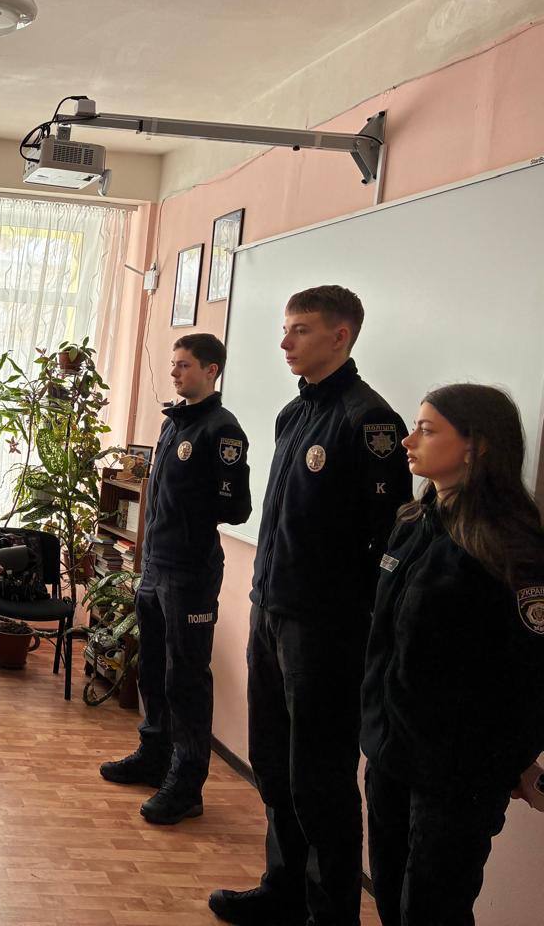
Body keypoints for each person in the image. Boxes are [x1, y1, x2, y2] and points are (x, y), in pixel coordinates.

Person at [209, 285, 412, 926]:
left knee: (320, 778)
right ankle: (284, 890)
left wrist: (351, 622)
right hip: (271, 611)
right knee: (273, 764)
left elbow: (384, 543)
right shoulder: (293, 414)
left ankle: (330, 914)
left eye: (299, 330)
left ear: (340, 336)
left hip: (325, 631)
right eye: (285, 328)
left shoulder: (369, 422)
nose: (284, 342)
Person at [361, 384, 544, 926]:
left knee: (433, 909)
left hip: (457, 773)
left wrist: (516, 759)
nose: (407, 440)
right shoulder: (412, 522)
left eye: (427, 429)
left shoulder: (510, 546)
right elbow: (387, 640)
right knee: (390, 896)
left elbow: (528, 673)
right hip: (392, 754)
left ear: (476, 445)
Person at [100, 333, 251, 824]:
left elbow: (236, 507)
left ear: (211, 370)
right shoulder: (174, 423)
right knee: (152, 667)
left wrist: (195, 508)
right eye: (173, 364)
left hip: (190, 572)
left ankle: (186, 786)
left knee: (185, 677)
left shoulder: (222, 430)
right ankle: (154, 757)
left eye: (184, 365)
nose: (174, 372)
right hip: (156, 565)